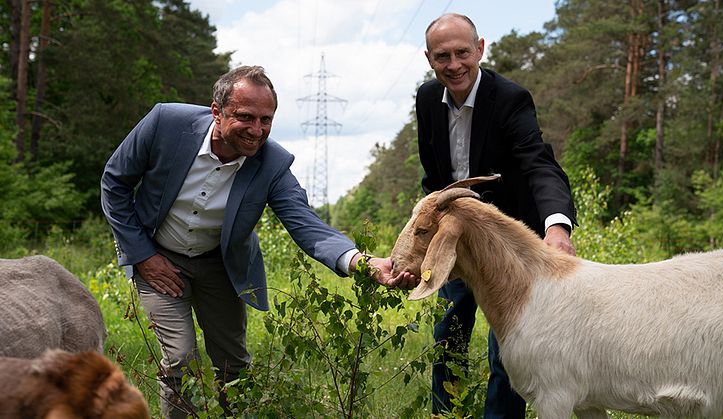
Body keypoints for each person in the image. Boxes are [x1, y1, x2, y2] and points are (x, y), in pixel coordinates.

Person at [101, 65, 417, 418]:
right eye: (246, 117)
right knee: (181, 359)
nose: (257, 131)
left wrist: (363, 262)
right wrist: (142, 255)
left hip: (220, 265)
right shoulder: (166, 123)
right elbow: (115, 182)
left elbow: (307, 225)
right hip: (158, 259)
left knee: (233, 366)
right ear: (217, 112)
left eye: (266, 120)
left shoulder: (273, 164)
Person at [416, 14, 577, 418]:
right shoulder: (425, 100)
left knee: (509, 349)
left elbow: (539, 164)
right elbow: (434, 178)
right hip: (455, 237)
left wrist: (555, 226)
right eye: (442, 56)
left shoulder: (509, 98)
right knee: (447, 335)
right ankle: (445, 413)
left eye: (462, 53)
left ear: (480, 49)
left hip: (507, 243)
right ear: (429, 59)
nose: (453, 65)